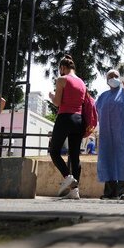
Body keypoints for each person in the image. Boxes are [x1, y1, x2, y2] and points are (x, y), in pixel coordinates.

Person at [96, 70, 124, 200]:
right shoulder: (103, 96)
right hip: (107, 135)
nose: (113, 78)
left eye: (116, 76)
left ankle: (123, 192)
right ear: (106, 80)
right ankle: (110, 192)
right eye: (110, 76)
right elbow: (96, 110)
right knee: (107, 160)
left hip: (123, 134)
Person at [49, 54, 85, 200]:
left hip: (65, 118)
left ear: (63, 68)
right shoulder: (82, 82)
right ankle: (75, 191)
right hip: (79, 119)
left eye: (60, 70)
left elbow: (57, 103)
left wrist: (51, 95)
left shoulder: (62, 80)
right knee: (75, 156)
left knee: (54, 151)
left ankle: (67, 176)